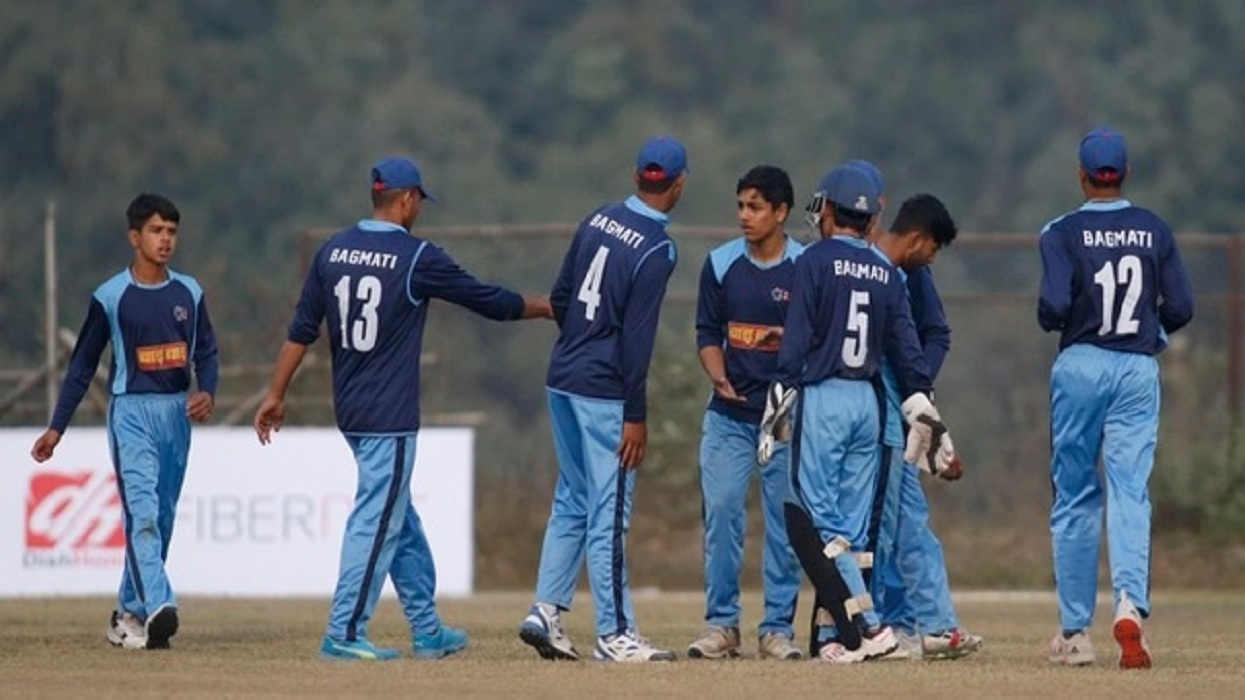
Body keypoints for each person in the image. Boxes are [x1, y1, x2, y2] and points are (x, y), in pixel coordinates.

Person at [253, 156, 551, 661]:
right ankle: (344, 633)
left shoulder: (333, 250)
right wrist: (545, 306)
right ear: (409, 199)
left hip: (350, 409)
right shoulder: (417, 257)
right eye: (420, 202)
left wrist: (275, 393)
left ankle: (427, 629)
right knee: (377, 519)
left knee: (398, 515)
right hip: (389, 416)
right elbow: (489, 301)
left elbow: (302, 329)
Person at [760, 164, 956, 664]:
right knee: (854, 529)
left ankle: (869, 628)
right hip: (868, 405)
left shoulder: (813, 260)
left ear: (828, 209)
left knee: (814, 518)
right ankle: (842, 634)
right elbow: (908, 351)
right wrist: (923, 406)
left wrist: (779, 390)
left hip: (823, 396)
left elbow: (799, 334)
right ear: (870, 218)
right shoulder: (886, 271)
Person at [519, 136, 686, 663]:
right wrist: (635, 414)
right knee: (609, 512)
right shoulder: (658, 248)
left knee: (572, 498)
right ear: (678, 185)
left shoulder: (597, 219)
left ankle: (545, 611)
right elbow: (637, 342)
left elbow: (562, 298)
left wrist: (578, 346)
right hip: (604, 393)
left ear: (637, 176)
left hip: (562, 377)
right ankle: (615, 635)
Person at [30, 193, 219, 651]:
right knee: (143, 514)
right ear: (135, 237)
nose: (165, 239)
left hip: (176, 413)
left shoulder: (189, 292)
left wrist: (207, 392)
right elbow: (81, 365)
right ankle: (160, 605)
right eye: (156, 231)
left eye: (172, 231)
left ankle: (128, 615)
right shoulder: (111, 296)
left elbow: (207, 352)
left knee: (164, 518)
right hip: (131, 412)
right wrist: (58, 426)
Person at [1039, 126, 1193, 670]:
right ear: (1124, 174)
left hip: (1080, 363)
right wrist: (1153, 329)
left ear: (1081, 175)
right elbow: (1182, 306)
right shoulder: (1154, 228)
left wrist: (1057, 316)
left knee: (1076, 491)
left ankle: (1075, 634)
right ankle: (1130, 606)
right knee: (1130, 489)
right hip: (1136, 366)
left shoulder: (1060, 231)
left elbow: (1052, 307)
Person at [687, 165, 805, 661]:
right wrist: (717, 374)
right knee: (722, 514)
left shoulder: (806, 266)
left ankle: (776, 628)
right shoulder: (719, 265)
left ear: (781, 213)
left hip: (782, 419)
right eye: (740, 205)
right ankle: (721, 626)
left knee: (784, 524)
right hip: (728, 419)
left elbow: (812, 342)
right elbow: (707, 333)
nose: (744, 216)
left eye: (755, 207)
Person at [865, 191, 983, 660]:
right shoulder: (876, 274)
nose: (931, 259)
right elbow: (899, 355)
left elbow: (926, 343)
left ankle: (923, 624)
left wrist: (931, 426)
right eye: (933, 249)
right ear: (917, 240)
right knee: (885, 522)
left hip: (899, 410)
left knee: (903, 519)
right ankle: (884, 625)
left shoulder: (902, 275)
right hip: (875, 411)